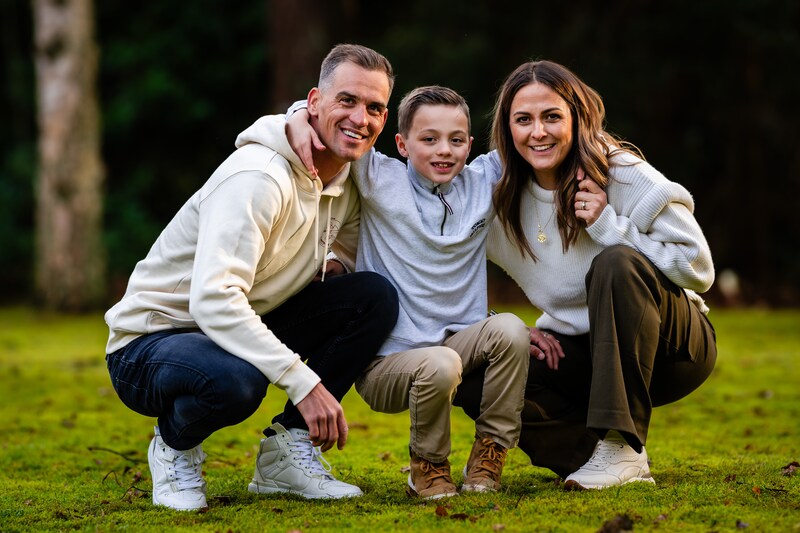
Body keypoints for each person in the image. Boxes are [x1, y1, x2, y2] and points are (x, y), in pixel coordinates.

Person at [103, 44, 399, 511]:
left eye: (375, 107)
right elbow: (214, 299)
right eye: (347, 100)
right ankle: (174, 446)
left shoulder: (348, 179)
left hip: (236, 326)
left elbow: (352, 247)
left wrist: (334, 267)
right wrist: (303, 381)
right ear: (314, 102)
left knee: (372, 296)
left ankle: (286, 455)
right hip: (151, 342)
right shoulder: (259, 178)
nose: (361, 118)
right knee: (237, 381)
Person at [457, 60, 718, 490]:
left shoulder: (621, 174)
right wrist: (495, 325)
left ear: (577, 119)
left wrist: (608, 225)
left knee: (616, 262)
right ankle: (595, 458)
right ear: (507, 128)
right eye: (523, 120)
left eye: (551, 116)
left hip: (671, 351)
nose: (537, 132)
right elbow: (434, 253)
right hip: (581, 356)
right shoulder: (494, 190)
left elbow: (698, 268)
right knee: (471, 372)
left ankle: (620, 443)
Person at [283, 86, 531, 499]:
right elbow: (325, 121)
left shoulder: (484, 180)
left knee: (512, 330)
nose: (444, 150)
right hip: (388, 364)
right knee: (439, 363)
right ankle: (427, 467)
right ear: (401, 144)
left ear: (470, 145)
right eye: (429, 139)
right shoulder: (379, 177)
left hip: (458, 345)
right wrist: (296, 114)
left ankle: (490, 452)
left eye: (455, 140)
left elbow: (535, 137)